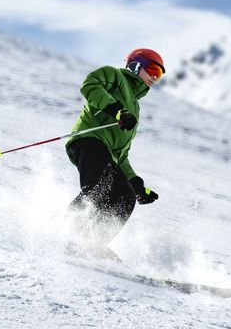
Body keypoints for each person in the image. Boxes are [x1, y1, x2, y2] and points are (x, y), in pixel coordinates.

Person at [66, 48, 165, 257]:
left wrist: (136, 183)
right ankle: (66, 232)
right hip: (89, 140)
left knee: (125, 196)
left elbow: (120, 153)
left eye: (160, 75)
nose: (155, 78)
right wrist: (116, 110)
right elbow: (90, 85)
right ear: (136, 65)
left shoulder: (135, 107)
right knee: (98, 186)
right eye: (153, 70)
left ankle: (93, 242)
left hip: (107, 153)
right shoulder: (115, 76)